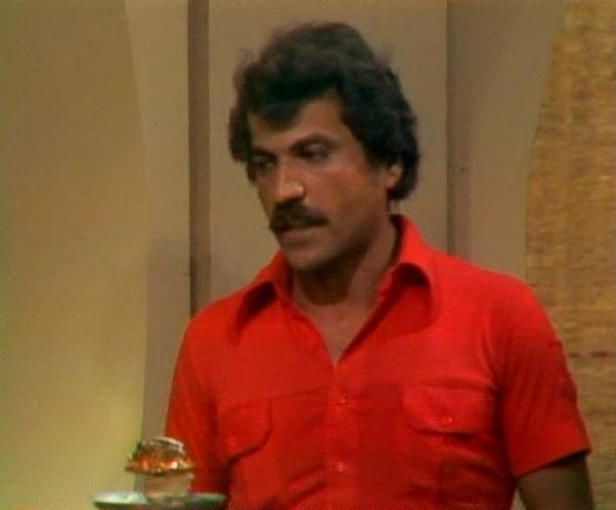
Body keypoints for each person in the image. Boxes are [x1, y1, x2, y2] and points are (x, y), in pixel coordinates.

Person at [166, 22, 593, 509]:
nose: (284, 190)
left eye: (313, 154)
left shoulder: (499, 317)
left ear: (389, 162)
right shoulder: (213, 342)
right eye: (265, 164)